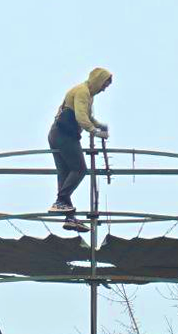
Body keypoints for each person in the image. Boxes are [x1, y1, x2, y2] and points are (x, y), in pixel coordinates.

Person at [47, 67, 113, 233]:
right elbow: (81, 118)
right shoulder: (83, 91)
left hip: (56, 134)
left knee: (65, 174)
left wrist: (98, 125)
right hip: (65, 136)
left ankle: (68, 216)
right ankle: (61, 201)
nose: (104, 89)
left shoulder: (87, 95)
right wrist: (95, 132)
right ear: (98, 81)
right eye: (104, 84)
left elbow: (88, 117)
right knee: (80, 169)